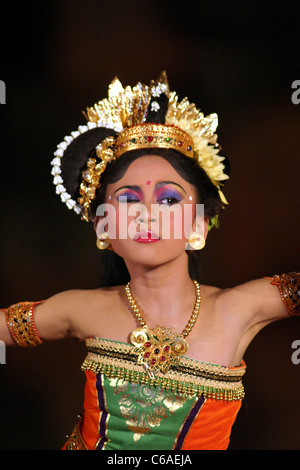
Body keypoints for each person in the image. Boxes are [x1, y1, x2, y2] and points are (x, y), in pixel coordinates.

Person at [0, 72, 299, 450]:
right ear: (103, 228)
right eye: (127, 200)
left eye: (169, 199)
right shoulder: (81, 309)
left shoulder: (237, 310)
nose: (147, 215)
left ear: (199, 227)